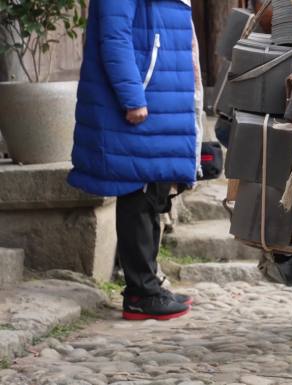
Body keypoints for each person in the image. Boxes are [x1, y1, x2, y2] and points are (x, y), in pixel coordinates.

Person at [67, 0, 204, 320]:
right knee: (138, 195)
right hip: (142, 101)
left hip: (159, 98)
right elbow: (115, 37)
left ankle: (149, 284)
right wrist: (132, 95)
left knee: (153, 194)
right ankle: (140, 293)